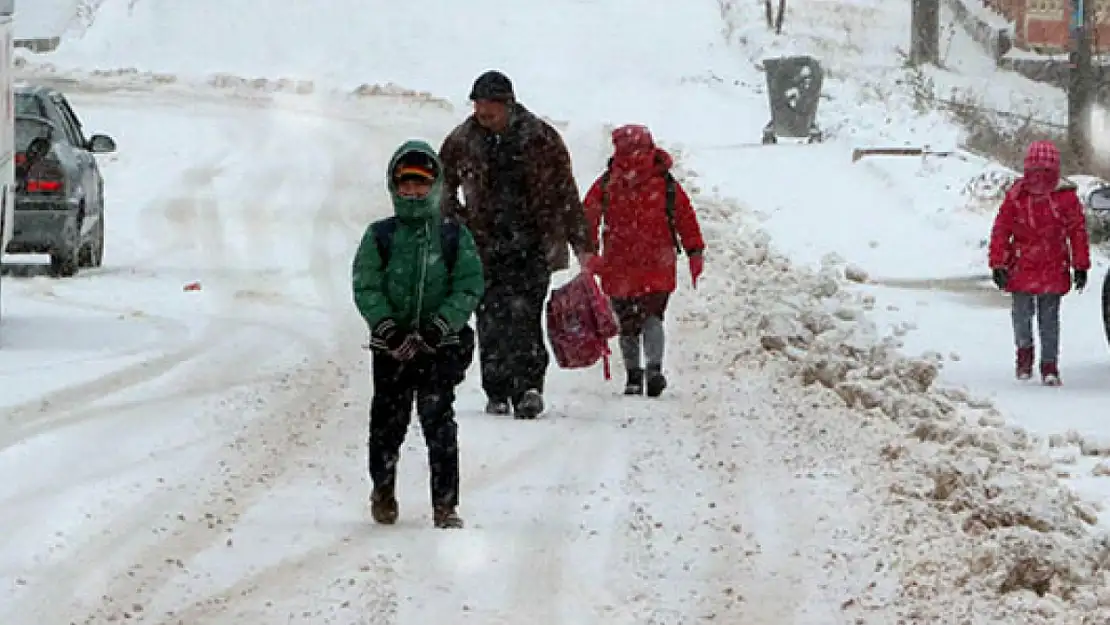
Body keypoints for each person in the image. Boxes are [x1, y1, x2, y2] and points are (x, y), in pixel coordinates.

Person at [439, 70, 595, 419]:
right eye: (478, 108)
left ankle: (528, 388)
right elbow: (441, 188)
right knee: (490, 317)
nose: (482, 116)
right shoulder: (463, 139)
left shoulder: (541, 138)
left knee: (525, 317)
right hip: (483, 246)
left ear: (508, 105)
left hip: (533, 244)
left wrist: (582, 243)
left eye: (489, 110)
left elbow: (566, 192)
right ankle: (496, 389)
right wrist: (454, 225)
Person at [352, 140, 484, 529]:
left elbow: (468, 285)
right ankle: (383, 489)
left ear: (436, 186)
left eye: (421, 184)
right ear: (394, 187)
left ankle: (445, 504)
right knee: (387, 423)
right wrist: (387, 328)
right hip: (390, 349)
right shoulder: (380, 235)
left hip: (438, 348)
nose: (413, 192)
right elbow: (366, 285)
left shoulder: (453, 236)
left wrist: (439, 326)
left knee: (438, 421)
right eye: (405, 184)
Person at [582, 124, 705, 397]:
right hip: (656, 263)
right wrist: (694, 251)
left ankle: (634, 376)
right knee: (652, 317)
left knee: (627, 323)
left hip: (619, 263)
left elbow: (587, 216)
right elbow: (686, 218)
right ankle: (653, 369)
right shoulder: (664, 183)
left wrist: (588, 251)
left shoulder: (608, 182)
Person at [988, 139, 1089, 386]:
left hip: (1048, 264)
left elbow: (1077, 231)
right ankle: (1026, 357)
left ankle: (1048, 365)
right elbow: (1001, 229)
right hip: (1024, 264)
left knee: (1047, 318)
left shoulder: (1064, 198)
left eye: (1045, 172)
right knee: (1025, 315)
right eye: (1035, 172)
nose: (1039, 178)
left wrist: (1081, 264)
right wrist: (998, 262)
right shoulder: (1018, 197)